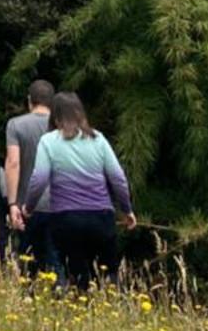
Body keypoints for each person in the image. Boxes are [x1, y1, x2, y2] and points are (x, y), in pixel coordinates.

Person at [16, 91, 135, 292]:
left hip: (66, 219)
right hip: (101, 217)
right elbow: (117, 178)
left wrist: (28, 207)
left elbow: (39, 178)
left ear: (55, 115)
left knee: (78, 275)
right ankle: (112, 310)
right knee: (108, 276)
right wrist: (127, 209)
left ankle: (82, 303)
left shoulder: (49, 141)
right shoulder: (98, 139)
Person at [5, 79, 61, 283]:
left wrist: (13, 203)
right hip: (59, 204)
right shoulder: (62, 128)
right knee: (56, 260)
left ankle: (27, 304)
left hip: (28, 204)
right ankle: (59, 301)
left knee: (26, 258)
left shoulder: (16, 125)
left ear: (30, 101)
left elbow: (13, 163)